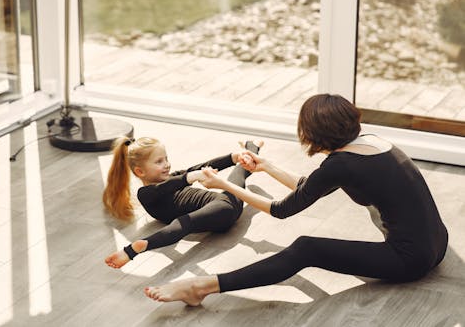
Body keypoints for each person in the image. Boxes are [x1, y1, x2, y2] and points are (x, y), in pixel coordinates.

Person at [143, 93, 448, 306]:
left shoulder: (341, 164)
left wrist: (225, 184)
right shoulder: (370, 145)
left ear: (312, 133)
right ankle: (204, 286)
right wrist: (265, 167)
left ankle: (201, 286)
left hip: (411, 260)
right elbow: (309, 188)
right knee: (315, 248)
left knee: (306, 249)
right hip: (436, 245)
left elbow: (282, 210)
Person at [103, 136, 263, 268]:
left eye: (166, 159)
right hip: (219, 213)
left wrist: (233, 158)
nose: (166, 164)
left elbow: (201, 167)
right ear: (140, 171)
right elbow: (166, 187)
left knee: (238, 175)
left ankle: (248, 150)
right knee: (183, 223)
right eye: (159, 162)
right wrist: (192, 177)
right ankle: (136, 248)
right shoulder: (146, 194)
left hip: (223, 206)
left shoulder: (174, 177)